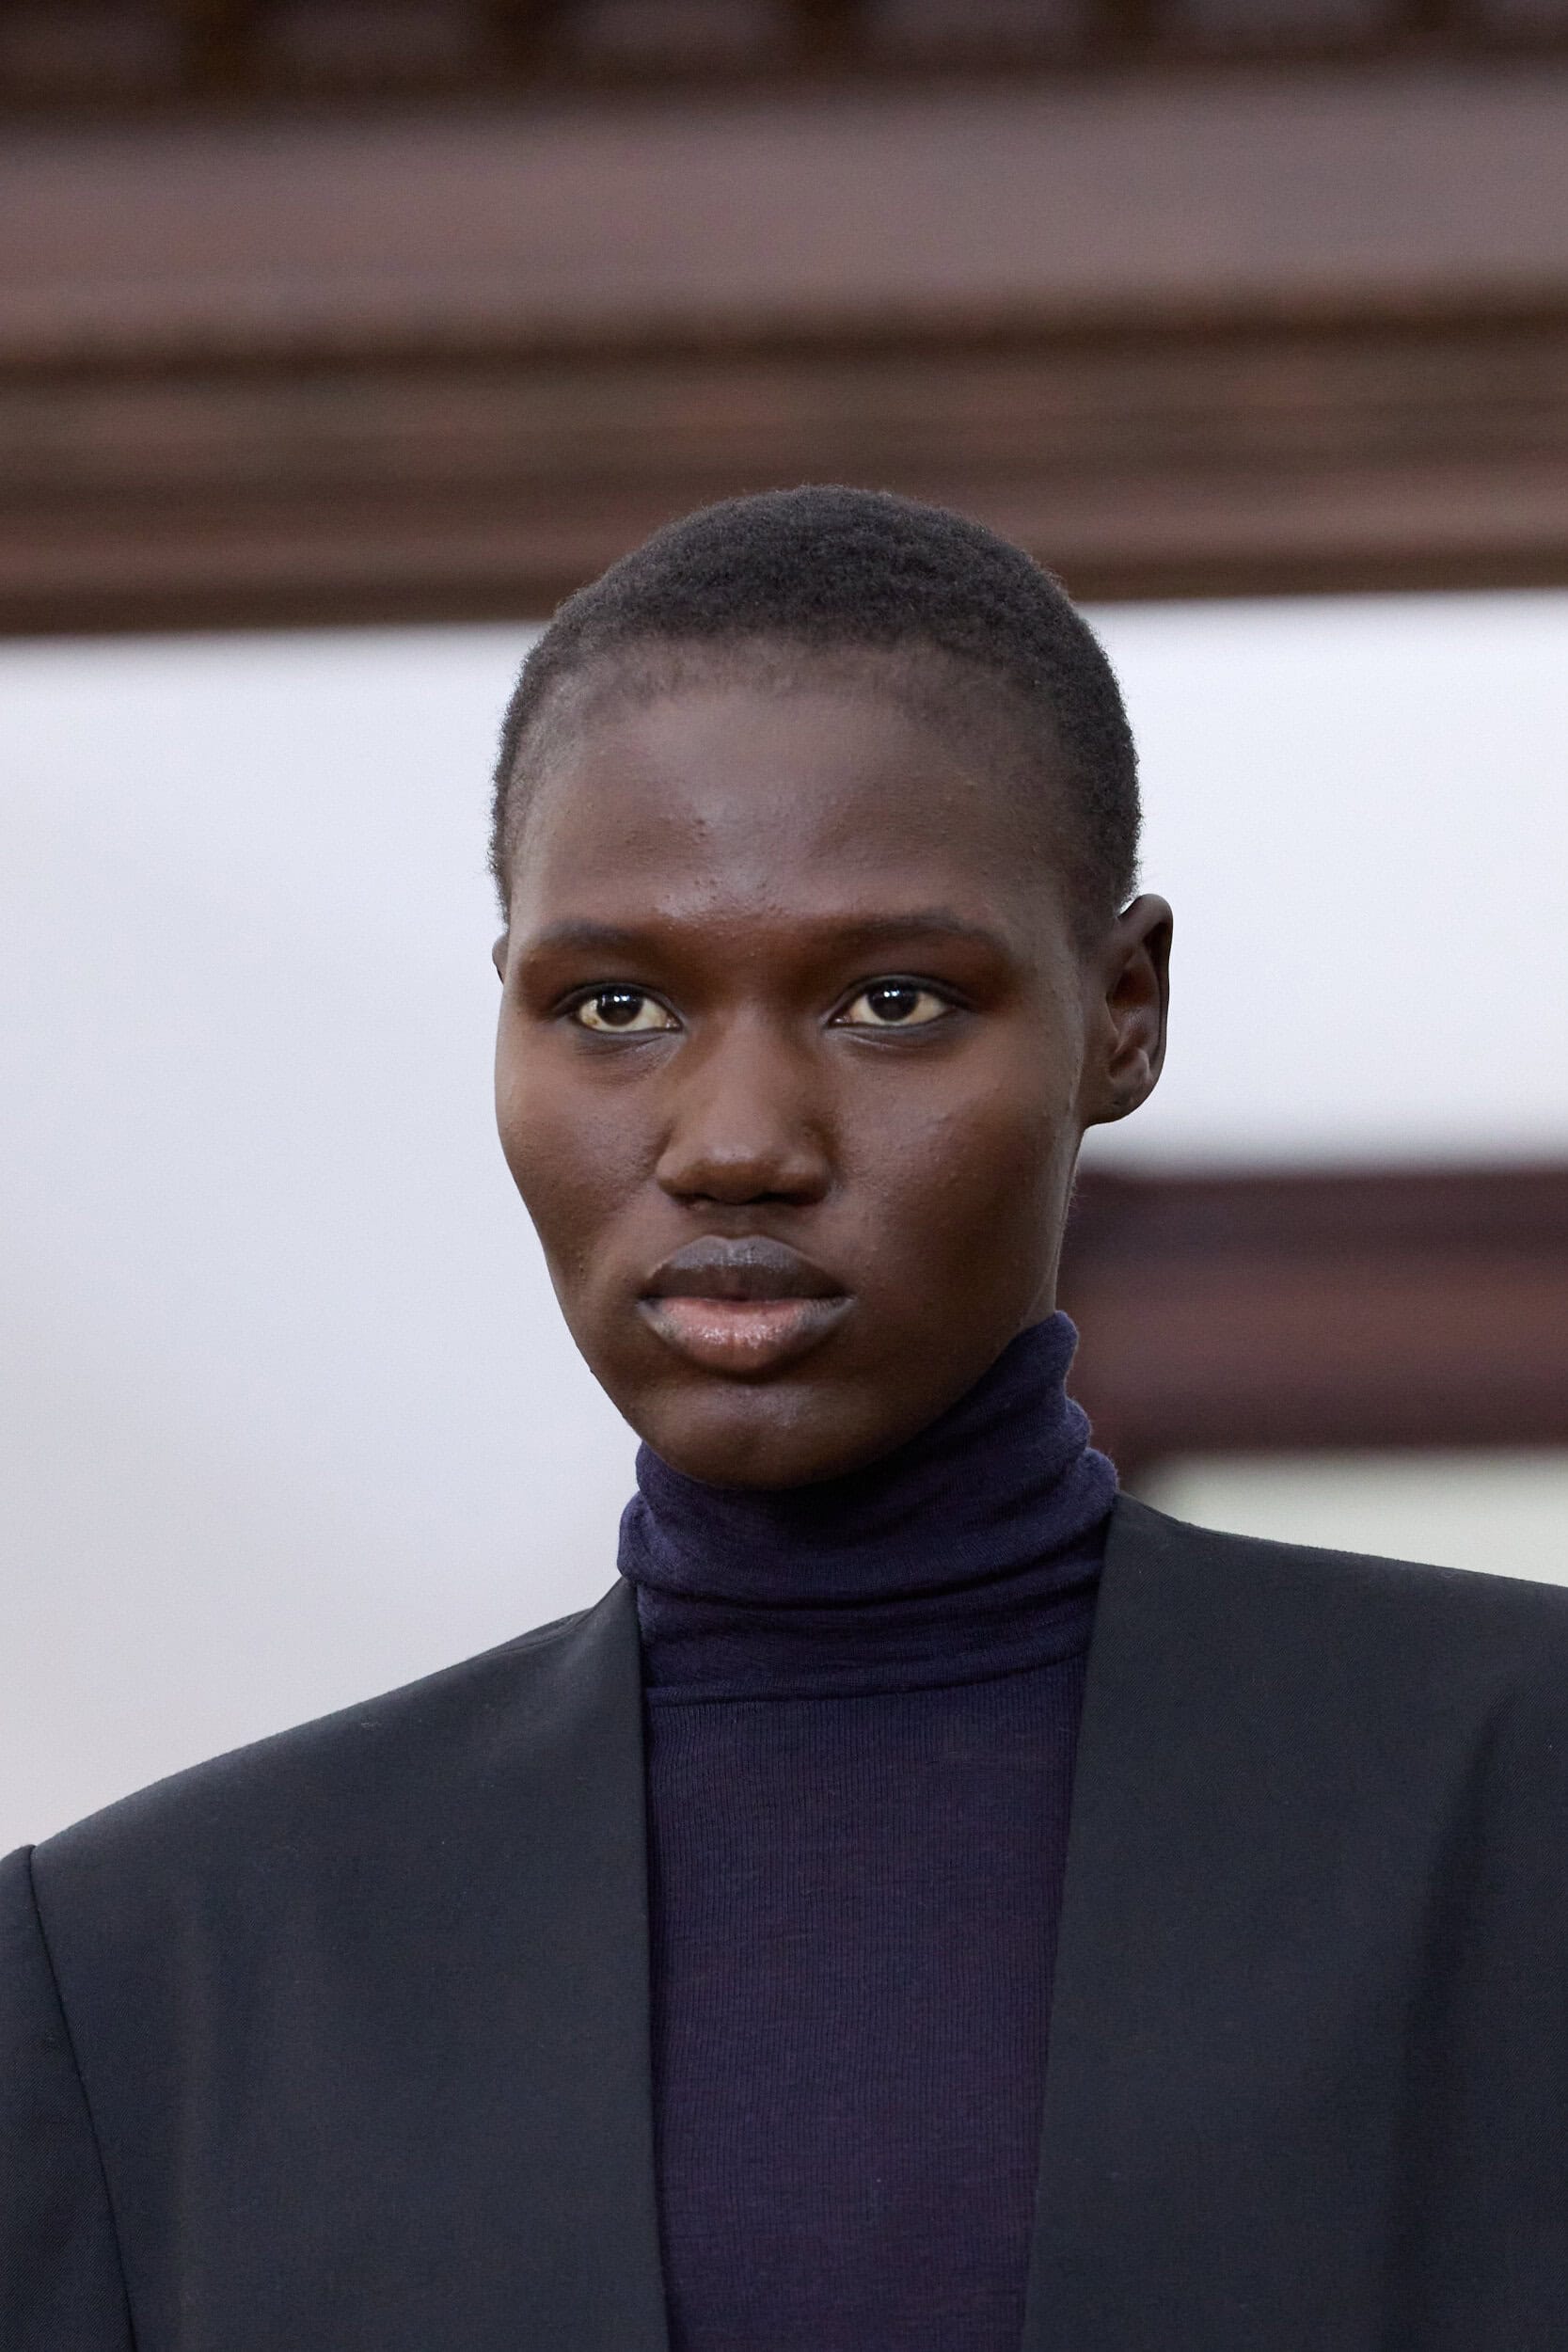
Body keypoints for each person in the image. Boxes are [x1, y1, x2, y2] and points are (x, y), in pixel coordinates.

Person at [4, 487, 1566, 2352]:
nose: (737, 1139)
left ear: (1123, 1011)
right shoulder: (141, 1979)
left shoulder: (1515, 1803)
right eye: (615, 1003)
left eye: (892, 999)